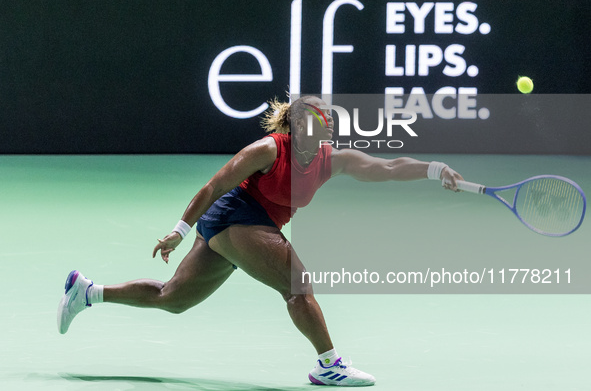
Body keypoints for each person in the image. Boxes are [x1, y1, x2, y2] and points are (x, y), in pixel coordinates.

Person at [57, 95, 463, 386]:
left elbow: (389, 167)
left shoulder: (331, 160)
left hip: (251, 226)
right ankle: (328, 364)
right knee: (297, 285)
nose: (329, 123)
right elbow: (214, 186)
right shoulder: (269, 150)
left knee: (173, 298)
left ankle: (87, 292)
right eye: (320, 118)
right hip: (236, 216)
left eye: (330, 118)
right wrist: (179, 232)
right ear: (298, 126)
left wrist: (434, 168)